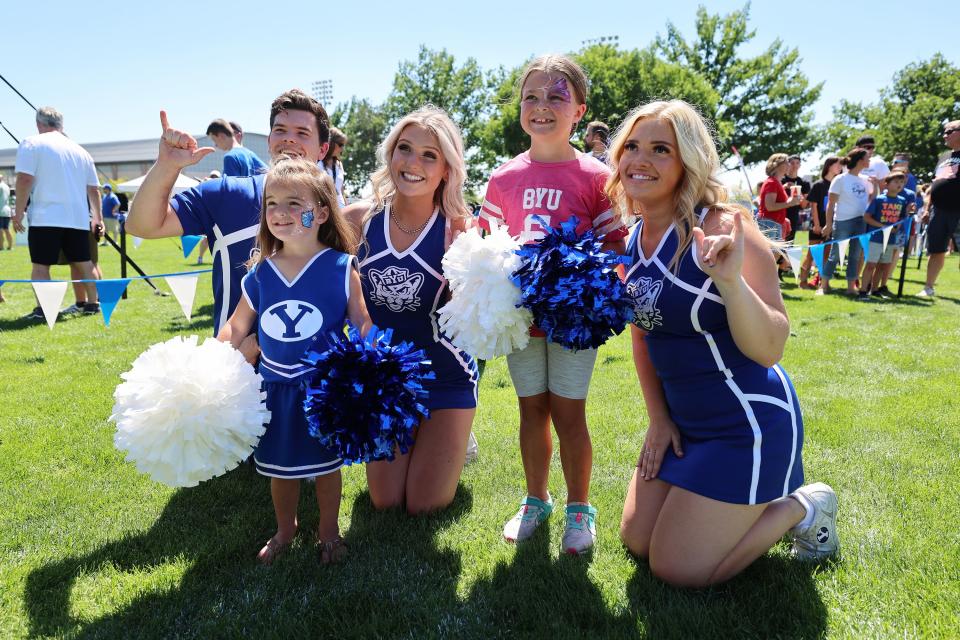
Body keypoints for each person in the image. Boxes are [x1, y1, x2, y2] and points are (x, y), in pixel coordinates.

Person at [611, 99, 838, 588]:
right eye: (632, 146)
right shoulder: (634, 239)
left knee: (677, 569)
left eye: (659, 149)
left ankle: (803, 506)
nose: (640, 160)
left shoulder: (726, 228)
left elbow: (771, 346)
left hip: (746, 424)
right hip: (684, 423)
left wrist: (731, 284)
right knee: (637, 539)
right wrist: (657, 419)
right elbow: (643, 335)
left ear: (688, 160)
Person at [478, 54, 628, 554]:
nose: (542, 107)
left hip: (571, 323)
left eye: (556, 97)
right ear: (520, 107)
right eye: (532, 97)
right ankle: (536, 498)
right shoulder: (501, 179)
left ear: (580, 111)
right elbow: (485, 248)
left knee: (569, 413)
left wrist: (586, 285)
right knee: (530, 410)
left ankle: (579, 508)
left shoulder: (596, 176)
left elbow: (615, 250)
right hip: (522, 322)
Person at [218, 157, 371, 565]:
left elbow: (363, 325)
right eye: (271, 203)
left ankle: (329, 531)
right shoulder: (260, 274)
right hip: (273, 389)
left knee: (326, 469)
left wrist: (374, 365)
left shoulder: (341, 268)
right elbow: (235, 327)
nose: (280, 213)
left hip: (323, 393)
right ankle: (287, 529)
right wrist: (217, 356)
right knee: (278, 469)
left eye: (293, 203)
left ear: (321, 212)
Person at [343, 106, 479, 514]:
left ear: (446, 170)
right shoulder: (357, 221)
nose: (413, 163)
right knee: (386, 501)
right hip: (385, 382)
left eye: (429, 155)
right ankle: (430, 438)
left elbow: (473, 317)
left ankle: (454, 434)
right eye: (405, 148)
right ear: (390, 155)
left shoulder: (459, 229)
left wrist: (465, 269)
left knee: (424, 504)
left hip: (446, 375)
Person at [126, 89, 331, 347]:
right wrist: (167, 165)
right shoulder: (227, 193)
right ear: (269, 140)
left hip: (317, 373)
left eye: (302, 133)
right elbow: (141, 225)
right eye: (280, 130)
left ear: (323, 149)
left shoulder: (338, 211)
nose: (289, 140)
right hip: (236, 367)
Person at [12, 106, 102, 319]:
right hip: (78, 219)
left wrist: (18, 212)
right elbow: (94, 189)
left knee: (41, 266)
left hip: (45, 217)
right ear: (61, 125)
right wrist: (96, 218)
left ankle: (44, 310)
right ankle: (93, 303)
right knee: (84, 263)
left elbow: (24, 179)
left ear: (38, 124)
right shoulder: (81, 151)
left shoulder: (31, 143)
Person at [819, 148, 873, 296]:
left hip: (860, 221)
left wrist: (875, 187)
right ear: (860, 160)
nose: (870, 160)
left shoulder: (865, 180)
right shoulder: (840, 179)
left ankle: (851, 287)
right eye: (867, 157)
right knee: (835, 254)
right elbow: (830, 204)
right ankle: (824, 285)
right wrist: (829, 224)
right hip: (842, 220)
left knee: (855, 255)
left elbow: (870, 200)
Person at [918, 120, 960, 297]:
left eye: (949, 131)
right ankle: (928, 287)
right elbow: (933, 186)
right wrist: (927, 209)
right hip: (939, 211)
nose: (945, 135)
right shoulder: (943, 157)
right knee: (936, 250)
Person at [858, 171, 911, 300]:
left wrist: (901, 222)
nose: (899, 185)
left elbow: (902, 217)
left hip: (891, 239)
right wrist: (882, 226)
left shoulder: (902, 201)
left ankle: (875, 290)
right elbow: (867, 217)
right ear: (886, 184)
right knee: (871, 264)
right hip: (876, 238)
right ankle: (863, 291)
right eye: (896, 182)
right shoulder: (879, 199)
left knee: (883, 265)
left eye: (902, 182)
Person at [798, 156, 841, 289]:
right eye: (838, 165)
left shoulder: (838, 184)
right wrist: (816, 225)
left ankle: (823, 282)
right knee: (811, 255)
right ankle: (803, 282)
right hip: (818, 225)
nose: (840, 168)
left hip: (832, 225)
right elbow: (814, 206)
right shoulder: (819, 185)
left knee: (826, 256)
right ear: (829, 166)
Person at [757, 153, 800, 241]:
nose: (789, 165)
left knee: (775, 254)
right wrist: (789, 203)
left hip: (773, 223)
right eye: (787, 162)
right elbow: (770, 206)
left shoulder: (776, 182)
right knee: (771, 254)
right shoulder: (771, 182)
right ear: (778, 165)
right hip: (769, 224)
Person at [781, 155, 810, 243]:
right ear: (787, 165)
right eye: (792, 163)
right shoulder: (781, 180)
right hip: (784, 216)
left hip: (801, 217)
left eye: (797, 163)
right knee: (784, 246)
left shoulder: (804, 183)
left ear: (800, 165)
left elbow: (804, 205)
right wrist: (783, 187)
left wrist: (797, 190)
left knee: (801, 247)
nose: (795, 165)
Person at [322, 127, 348, 207]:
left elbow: (341, 190)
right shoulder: (317, 163)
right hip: (325, 207)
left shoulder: (339, 164)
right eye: (340, 145)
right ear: (331, 144)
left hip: (341, 207)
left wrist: (347, 206)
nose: (342, 148)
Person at [0, 175, 12, 250]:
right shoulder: (7, 186)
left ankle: (1, 246)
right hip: (7, 210)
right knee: (6, 229)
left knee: (0, 230)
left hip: (0, 210)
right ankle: (10, 246)